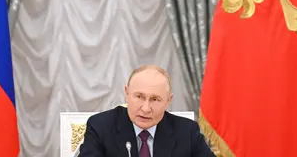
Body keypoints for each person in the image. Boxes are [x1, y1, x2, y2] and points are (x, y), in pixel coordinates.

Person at [77, 65, 214, 157]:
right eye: (139, 97)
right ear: (127, 93)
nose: (146, 108)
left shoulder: (187, 132)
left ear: (168, 100)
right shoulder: (101, 127)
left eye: (155, 99)